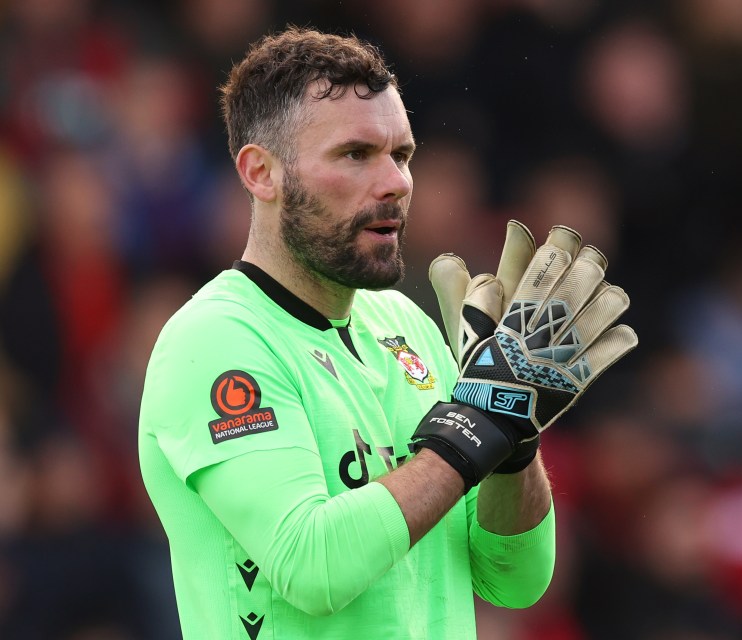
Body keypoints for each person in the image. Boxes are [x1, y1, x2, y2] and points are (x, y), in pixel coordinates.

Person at [139, 26, 634, 639]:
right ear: (261, 173)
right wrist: (471, 434)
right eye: (356, 154)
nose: (397, 182)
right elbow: (313, 567)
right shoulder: (214, 341)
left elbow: (515, 580)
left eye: (401, 155)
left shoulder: (408, 327)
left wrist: (514, 430)